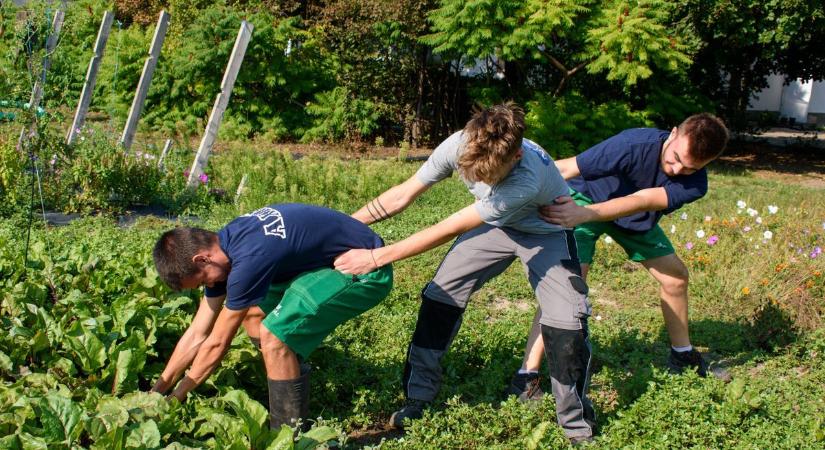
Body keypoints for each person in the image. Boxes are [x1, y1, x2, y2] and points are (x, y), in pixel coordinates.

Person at [334, 102, 596, 443]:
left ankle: (576, 427)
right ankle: (419, 398)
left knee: (567, 321)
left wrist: (377, 257)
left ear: (514, 157)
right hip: (496, 227)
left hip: (545, 231)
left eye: (488, 176)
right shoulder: (459, 144)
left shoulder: (526, 179)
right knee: (440, 295)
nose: (478, 180)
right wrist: (336, 229)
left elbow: (449, 227)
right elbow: (404, 193)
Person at [511, 113, 730, 396]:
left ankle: (682, 353)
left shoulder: (696, 184)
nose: (676, 170)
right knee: (565, 290)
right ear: (673, 133)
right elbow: (566, 168)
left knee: (675, 278)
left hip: (633, 217)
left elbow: (642, 201)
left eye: (689, 168)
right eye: (675, 158)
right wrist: (512, 181)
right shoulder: (631, 143)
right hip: (583, 203)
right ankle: (526, 375)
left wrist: (588, 213)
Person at [150, 203, 393, 429]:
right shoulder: (226, 244)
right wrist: (157, 392)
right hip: (327, 260)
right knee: (253, 314)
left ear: (202, 259)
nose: (208, 285)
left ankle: (289, 433)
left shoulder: (249, 259)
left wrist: (176, 397)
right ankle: (289, 374)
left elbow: (217, 343)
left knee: (275, 337)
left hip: (366, 268)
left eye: (204, 280)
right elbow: (197, 333)